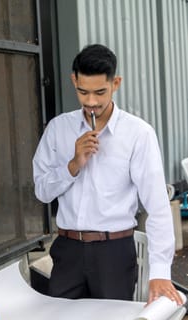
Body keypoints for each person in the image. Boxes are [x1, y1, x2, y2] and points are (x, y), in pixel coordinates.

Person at [33, 44, 183, 305]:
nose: (91, 102)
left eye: (100, 92)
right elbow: (42, 191)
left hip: (114, 252)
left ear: (116, 83)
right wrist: (73, 165)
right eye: (83, 92)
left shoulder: (138, 134)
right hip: (67, 250)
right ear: (74, 81)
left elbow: (157, 206)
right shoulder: (58, 129)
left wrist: (160, 272)